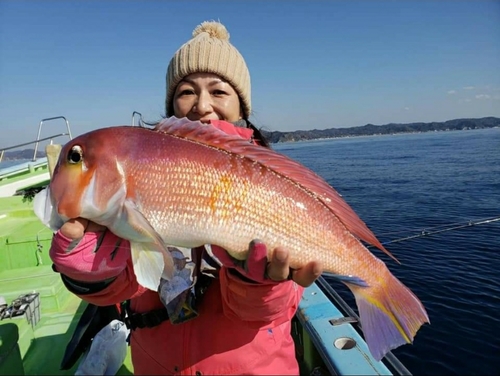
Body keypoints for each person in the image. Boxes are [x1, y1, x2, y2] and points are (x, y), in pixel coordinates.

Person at [50, 20, 323, 375]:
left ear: (243, 107)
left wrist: (258, 283)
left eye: (219, 92)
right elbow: (126, 288)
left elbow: (273, 312)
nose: (202, 106)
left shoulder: (271, 183)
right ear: (171, 105)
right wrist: (91, 274)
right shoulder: (140, 174)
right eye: (187, 92)